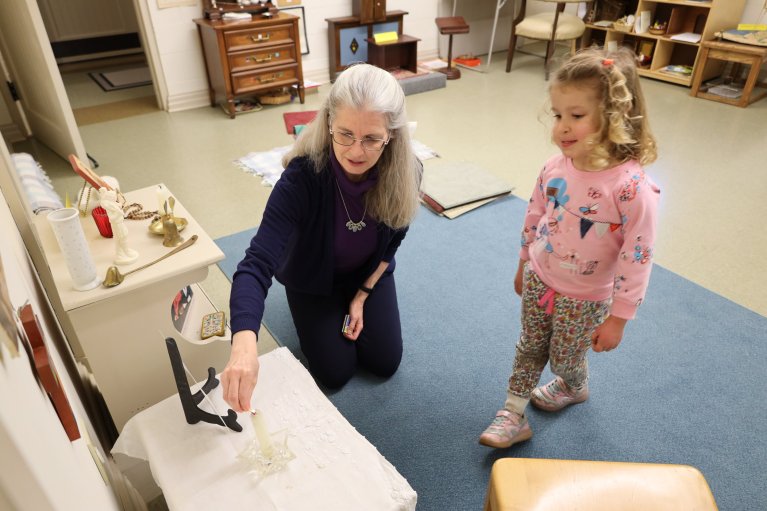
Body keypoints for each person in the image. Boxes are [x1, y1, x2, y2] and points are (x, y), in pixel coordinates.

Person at [479, 47, 661, 449]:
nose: (562, 126)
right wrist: (523, 261)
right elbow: (534, 214)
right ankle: (512, 412)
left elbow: (638, 256)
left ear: (614, 117)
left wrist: (619, 318)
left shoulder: (631, 189)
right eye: (558, 114)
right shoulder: (554, 167)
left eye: (576, 116)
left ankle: (574, 385)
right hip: (541, 278)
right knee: (529, 346)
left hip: (586, 298)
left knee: (564, 358)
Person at [221, 63, 422, 412]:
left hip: (366, 274)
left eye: (372, 138)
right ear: (328, 122)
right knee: (335, 371)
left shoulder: (407, 172)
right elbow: (255, 264)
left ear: (391, 135)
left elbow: (393, 242)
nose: (356, 152)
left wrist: (362, 294)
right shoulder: (302, 178)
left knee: (384, 361)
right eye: (344, 134)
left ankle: (352, 297)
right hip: (312, 279)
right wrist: (243, 346)